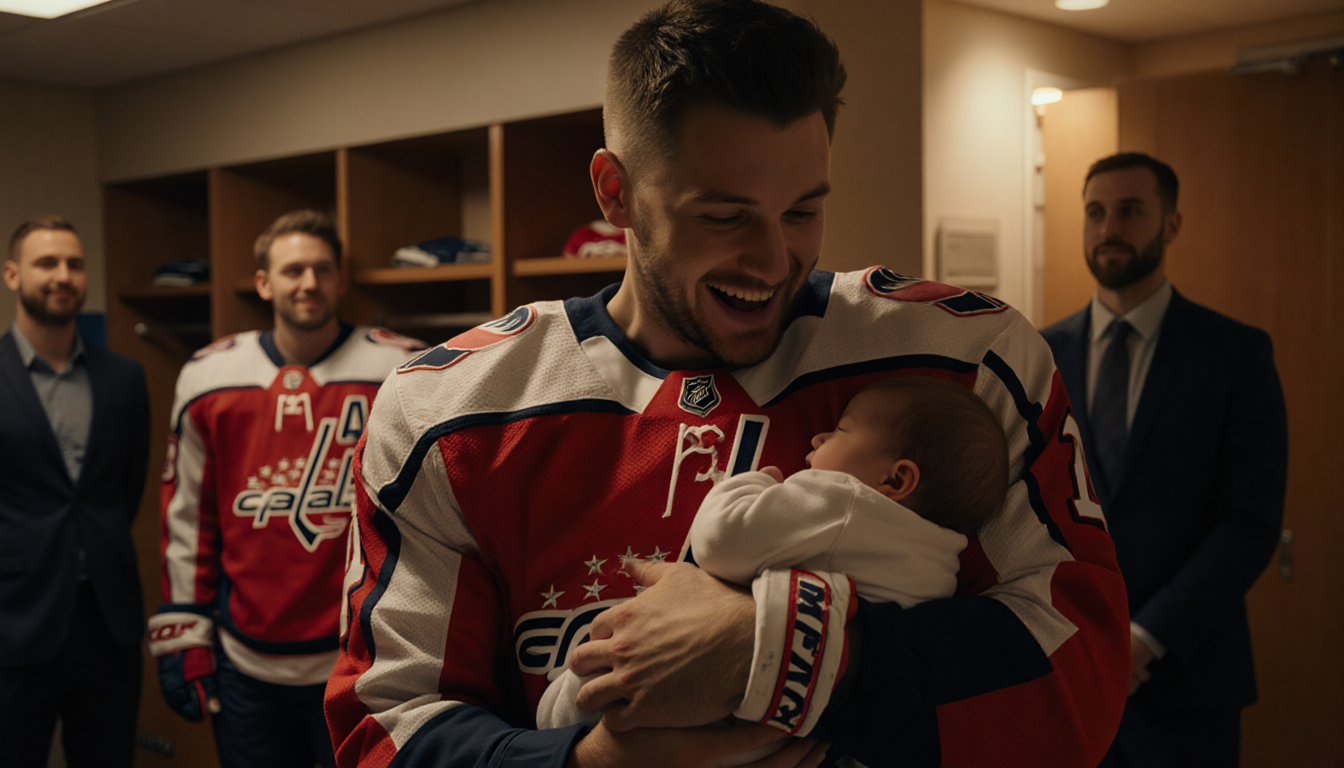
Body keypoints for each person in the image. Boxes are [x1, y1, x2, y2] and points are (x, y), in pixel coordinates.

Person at [327, 2, 1130, 767]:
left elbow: (1079, 678)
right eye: (724, 216)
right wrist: (591, 762)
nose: (775, 259)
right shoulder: (449, 409)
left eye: (803, 211)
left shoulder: (962, 357)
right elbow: (387, 729)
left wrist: (771, 651)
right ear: (616, 193)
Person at [536, 376, 1010, 737]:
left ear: (895, 481)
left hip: (731, 686)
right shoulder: (942, 563)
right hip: (807, 720)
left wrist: (752, 482)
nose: (819, 440)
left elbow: (721, 542)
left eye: (841, 430)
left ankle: (558, 718)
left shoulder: (843, 502)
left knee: (584, 687)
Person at [149, 210, 426, 768]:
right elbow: (187, 517)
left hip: (359, 659)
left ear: (341, 280)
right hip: (246, 662)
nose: (308, 284)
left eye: (322, 270)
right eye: (293, 270)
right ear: (263, 283)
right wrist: (183, 630)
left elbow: (432, 516)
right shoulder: (209, 376)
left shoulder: (402, 367)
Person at [1041, 152, 1287, 767]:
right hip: (1067, 672)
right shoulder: (1040, 353)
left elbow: (1249, 523)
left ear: (1170, 225)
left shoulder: (1236, 355)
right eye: (1095, 213)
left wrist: (1146, 641)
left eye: (1129, 211)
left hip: (1188, 676)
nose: (1108, 229)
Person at [0, 215, 150, 768]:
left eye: (74, 264)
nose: (62, 275)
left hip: (107, 625)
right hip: (14, 624)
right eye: (47, 263)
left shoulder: (125, 377)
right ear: (13, 275)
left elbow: (123, 492)